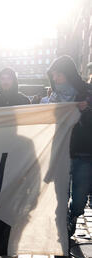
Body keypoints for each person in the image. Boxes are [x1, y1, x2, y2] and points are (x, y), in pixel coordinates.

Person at [46, 55, 92, 237]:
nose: (56, 78)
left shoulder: (87, 93)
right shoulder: (53, 98)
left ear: (68, 74)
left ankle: (74, 215)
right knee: (60, 195)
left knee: (80, 198)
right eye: (54, 75)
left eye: (59, 74)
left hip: (83, 152)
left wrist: (86, 110)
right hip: (61, 153)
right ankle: (62, 223)